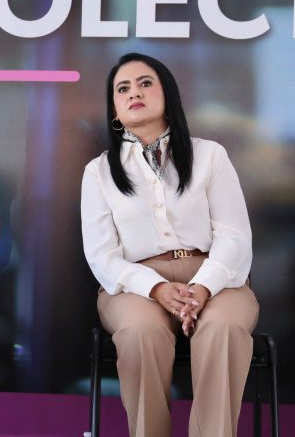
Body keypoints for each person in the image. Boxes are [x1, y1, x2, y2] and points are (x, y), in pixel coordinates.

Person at [81, 52, 258, 437]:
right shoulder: (98, 171)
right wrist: (156, 288)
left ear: (168, 95)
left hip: (216, 276)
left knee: (224, 326)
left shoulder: (210, 155)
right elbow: (101, 255)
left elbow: (234, 236)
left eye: (145, 83)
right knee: (140, 331)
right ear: (114, 109)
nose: (134, 93)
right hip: (134, 285)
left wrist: (203, 287)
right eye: (122, 88)